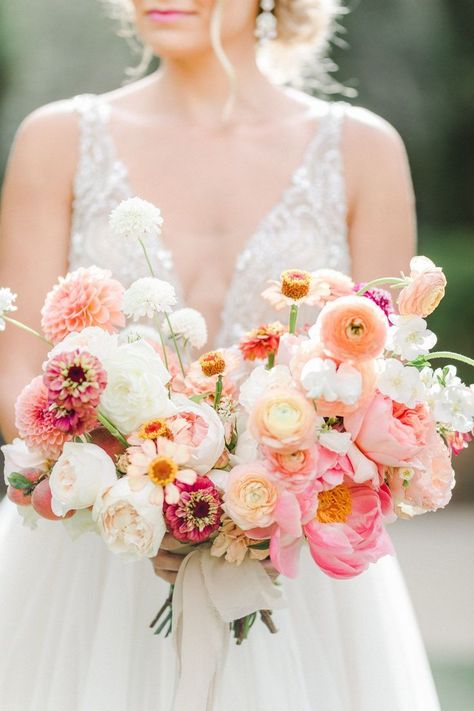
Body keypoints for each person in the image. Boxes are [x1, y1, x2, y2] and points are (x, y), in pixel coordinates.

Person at [0, 1, 441, 709]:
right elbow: (15, 379)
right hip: (95, 554)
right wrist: (141, 490)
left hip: (294, 565)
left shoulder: (363, 150)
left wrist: (261, 504)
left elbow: (383, 387)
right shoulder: (55, 141)